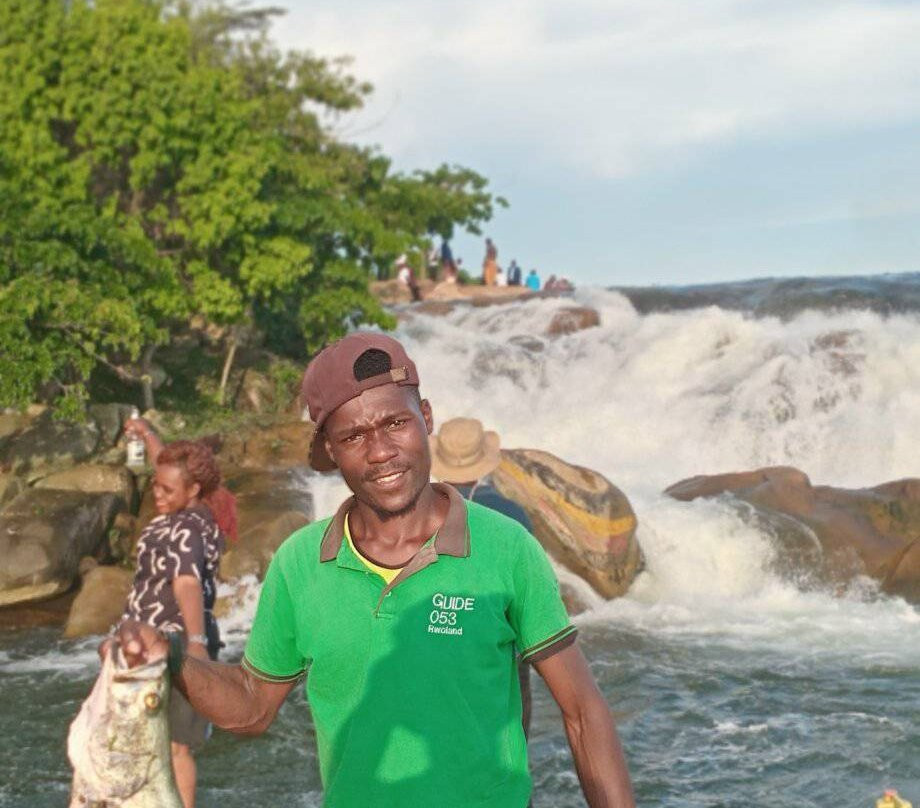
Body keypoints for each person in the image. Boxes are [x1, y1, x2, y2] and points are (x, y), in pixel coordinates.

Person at [115, 333, 635, 808]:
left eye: (395, 423)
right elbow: (251, 707)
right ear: (331, 452)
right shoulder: (300, 563)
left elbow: (583, 713)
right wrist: (171, 657)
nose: (382, 452)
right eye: (354, 436)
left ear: (425, 417)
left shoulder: (506, 547)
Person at [110, 423, 237, 808]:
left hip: (168, 645)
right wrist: (150, 437)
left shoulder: (185, 529)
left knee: (171, 747)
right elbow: (172, 473)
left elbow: (186, 583)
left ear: (192, 489)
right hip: (157, 644)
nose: (157, 494)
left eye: (166, 490)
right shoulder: (199, 513)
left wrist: (196, 645)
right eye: (155, 485)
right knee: (162, 744)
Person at [429, 417, 535, 735]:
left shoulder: (415, 510)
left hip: (438, 631)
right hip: (500, 635)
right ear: (485, 461)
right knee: (514, 709)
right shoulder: (513, 514)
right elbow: (527, 584)